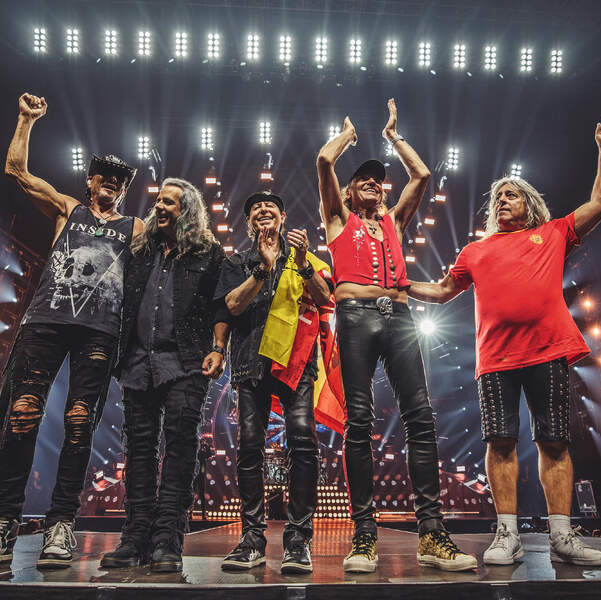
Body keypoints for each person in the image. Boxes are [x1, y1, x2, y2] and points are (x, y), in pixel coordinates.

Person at [408, 116, 601, 567]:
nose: (501, 200)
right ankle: (505, 534)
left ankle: (562, 537)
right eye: (497, 197)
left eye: (510, 194)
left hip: (548, 352)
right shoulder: (475, 250)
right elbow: (442, 290)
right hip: (496, 360)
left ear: (529, 204)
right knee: (501, 442)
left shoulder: (552, 233)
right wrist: (397, 284)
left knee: (555, 442)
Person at [0, 92, 143, 569]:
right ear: (91, 180)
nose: (111, 184)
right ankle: (0, 526)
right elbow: (16, 171)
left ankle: (61, 526)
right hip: (46, 322)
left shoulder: (135, 228)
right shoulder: (67, 207)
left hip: (99, 332)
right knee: (21, 415)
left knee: (79, 424)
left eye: (119, 180)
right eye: (105, 177)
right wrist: (25, 120)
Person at [316, 99, 476, 573]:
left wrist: (392, 135)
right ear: (348, 190)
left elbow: (422, 176)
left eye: (377, 178)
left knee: (422, 419)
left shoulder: (393, 222)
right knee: (360, 422)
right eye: (363, 177)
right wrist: (347, 136)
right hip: (356, 315)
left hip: (400, 316)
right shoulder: (337, 219)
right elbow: (324, 160)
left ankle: (432, 534)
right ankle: (364, 536)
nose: (372, 181)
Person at [99, 178, 228, 572]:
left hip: (186, 361)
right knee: (137, 450)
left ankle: (167, 539)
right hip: (138, 361)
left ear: (186, 209)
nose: (160, 206)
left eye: (169, 202)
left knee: (180, 448)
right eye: (158, 200)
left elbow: (221, 306)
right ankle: (134, 537)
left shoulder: (208, 252)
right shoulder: (141, 249)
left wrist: (217, 348)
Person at [214, 191, 332, 574]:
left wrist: (302, 265)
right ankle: (252, 538)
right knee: (250, 445)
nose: (263, 211)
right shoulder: (236, 262)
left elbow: (325, 297)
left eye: (270, 208)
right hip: (249, 362)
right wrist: (262, 269)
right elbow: (231, 306)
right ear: (249, 222)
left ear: (282, 217)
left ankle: (298, 539)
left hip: (296, 364)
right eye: (255, 209)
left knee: (303, 441)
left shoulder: (305, 259)